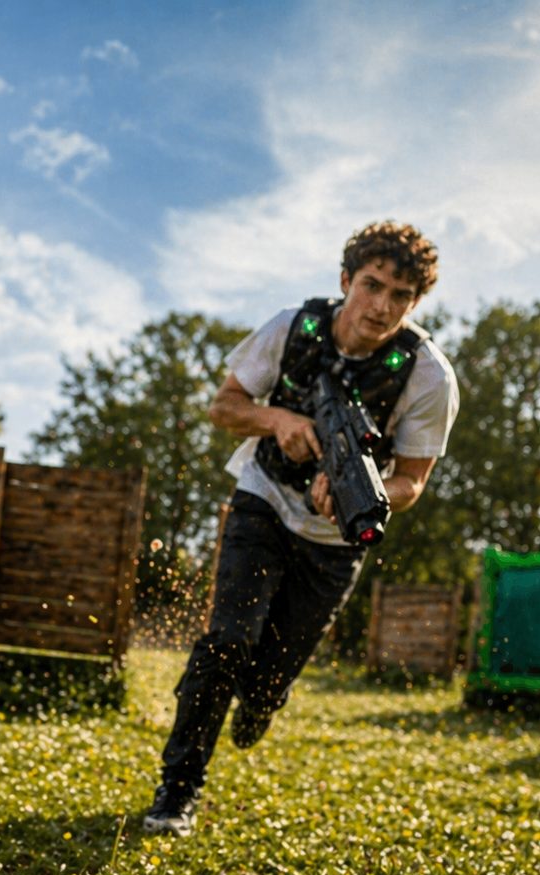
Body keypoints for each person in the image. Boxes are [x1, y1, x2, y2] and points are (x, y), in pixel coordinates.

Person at [143, 222, 458, 836]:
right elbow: (223, 406)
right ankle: (176, 793)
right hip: (262, 499)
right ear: (346, 281)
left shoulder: (428, 376)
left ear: (416, 302)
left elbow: (413, 482)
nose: (381, 305)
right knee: (227, 641)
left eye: (400, 295)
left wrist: (359, 493)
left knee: (267, 678)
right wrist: (277, 419)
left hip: (336, 541)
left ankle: (260, 701)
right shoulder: (293, 328)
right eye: (371, 285)